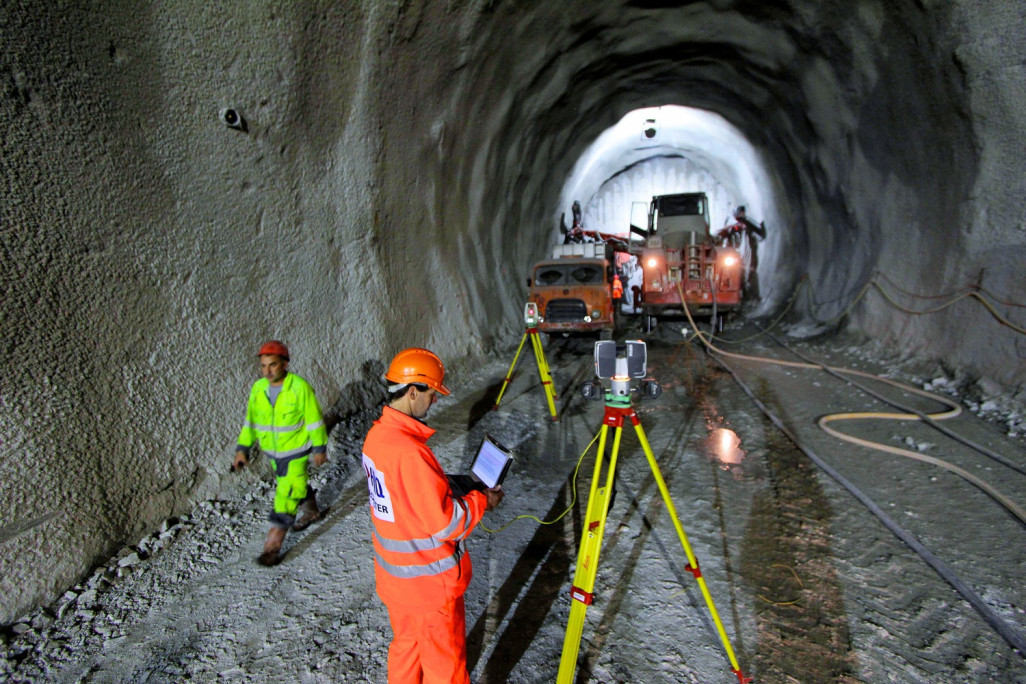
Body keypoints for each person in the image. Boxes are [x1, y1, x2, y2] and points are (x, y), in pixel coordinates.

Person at [361, 347, 504, 683]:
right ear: (413, 392)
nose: (435, 401)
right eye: (432, 393)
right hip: (428, 587)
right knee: (445, 669)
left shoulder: (377, 437)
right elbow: (447, 523)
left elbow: (402, 494)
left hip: (396, 582)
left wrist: (453, 484)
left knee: (406, 654)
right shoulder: (411, 451)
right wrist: (483, 501)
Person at [233, 340, 328, 566]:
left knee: (286, 495)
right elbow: (251, 422)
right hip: (274, 454)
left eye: (272, 365)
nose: (267, 371)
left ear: (285, 363)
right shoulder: (258, 389)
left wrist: (320, 447)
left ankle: (272, 547)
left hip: (295, 453)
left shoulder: (299, 387)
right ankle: (312, 511)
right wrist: (242, 449)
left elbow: (314, 419)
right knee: (295, 486)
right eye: (263, 366)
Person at [716, 205, 767, 298]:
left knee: (750, 275)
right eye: (739, 214)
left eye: (742, 214)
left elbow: (760, 235)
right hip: (736, 259)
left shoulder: (748, 226)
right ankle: (743, 296)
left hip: (747, 258)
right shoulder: (732, 228)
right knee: (738, 276)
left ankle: (753, 296)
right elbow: (721, 236)